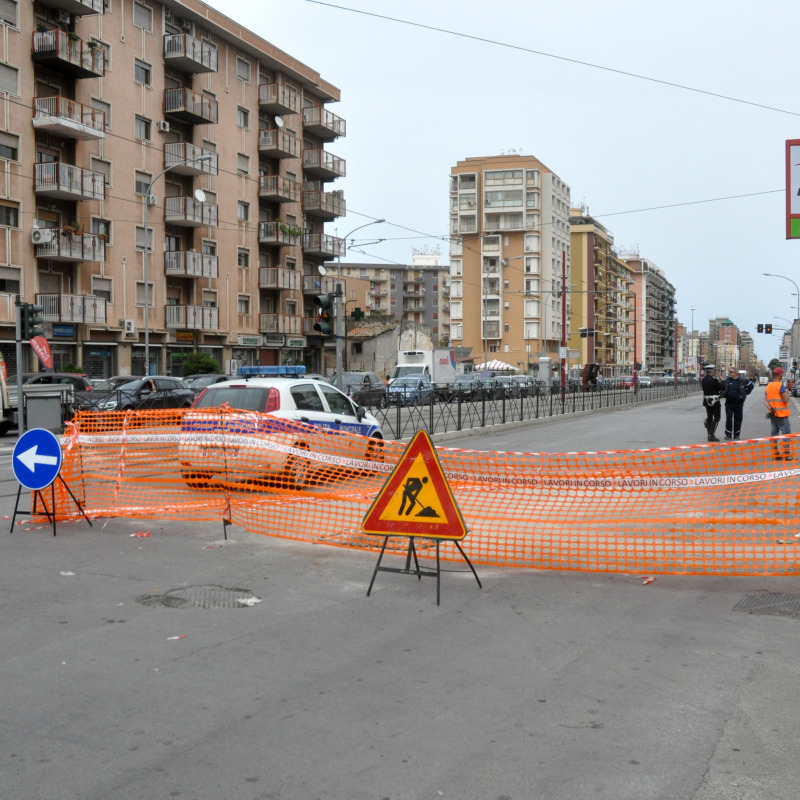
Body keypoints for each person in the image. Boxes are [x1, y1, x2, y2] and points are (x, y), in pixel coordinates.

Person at [764, 366, 792, 459]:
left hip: (773, 414)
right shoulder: (780, 386)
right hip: (782, 414)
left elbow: (765, 400)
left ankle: (775, 454)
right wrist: (787, 392)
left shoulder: (769, 385)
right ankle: (786, 454)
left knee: (774, 433)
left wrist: (771, 408)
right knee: (786, 433)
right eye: (782, 373)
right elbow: (786, 400)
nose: (783, 374)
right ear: (779, 374)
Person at [722, 367, 754, 439]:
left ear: (736, 373)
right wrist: (722, 394)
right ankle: (728, 434)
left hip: (738, 403)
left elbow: (751, 386)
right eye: (730, 372)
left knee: (738, 419)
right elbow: (722, 387)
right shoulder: (727, 380)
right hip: (729, 403)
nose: (730, 373)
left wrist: (745, 393)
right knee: (728, 419)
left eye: (731, 372)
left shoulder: (742, 380)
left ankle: (736, 435)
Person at [700, 364, 723, 441]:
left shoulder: (703, 380)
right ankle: (711, 434)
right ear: (712, 371)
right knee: (717, 417)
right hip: (714, 401)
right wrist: (721, 380)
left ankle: (709, 434)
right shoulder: (714, 380)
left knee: (709, 417)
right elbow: (721, 387)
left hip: (706, 400)